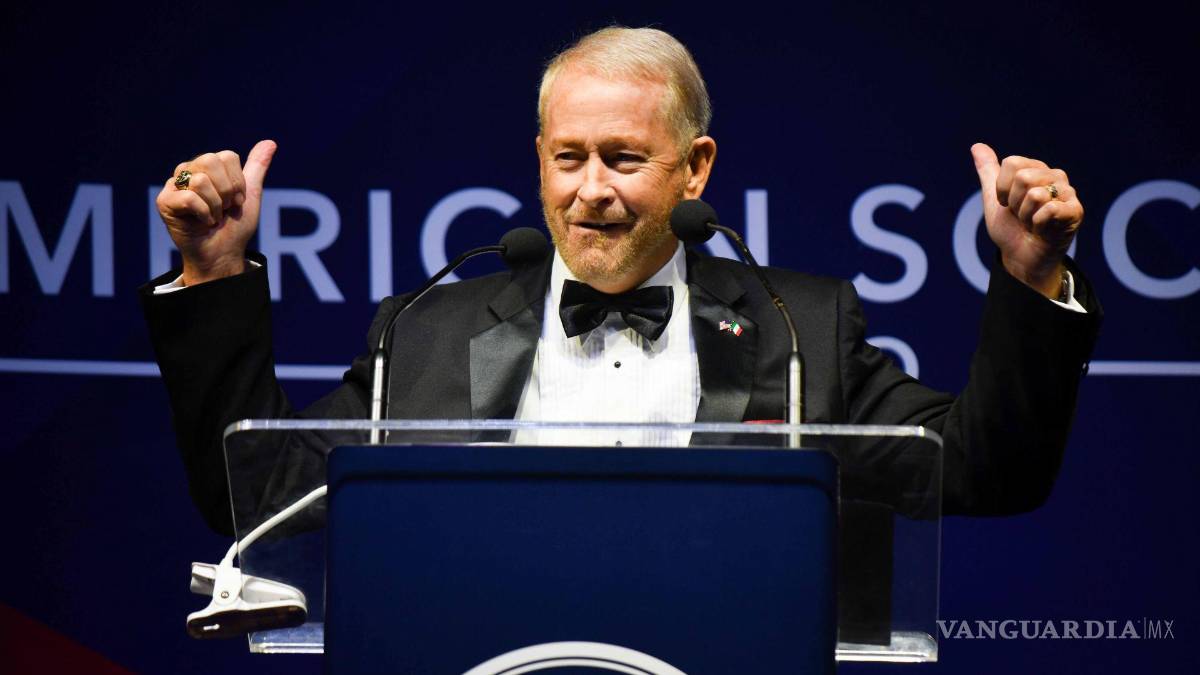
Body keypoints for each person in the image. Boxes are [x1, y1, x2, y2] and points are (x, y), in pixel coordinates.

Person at [141, 27, 1101, 536]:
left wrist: (1031, 276)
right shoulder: (426, 331)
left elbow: (987, 471)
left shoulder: (796, 329)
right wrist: (212, 272)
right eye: (569, 157)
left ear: (696, 168)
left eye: (624, 158)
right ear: (539, 160)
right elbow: (257, 495)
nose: (590, 189)